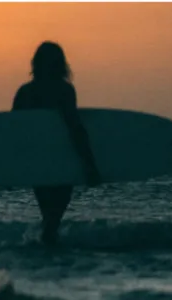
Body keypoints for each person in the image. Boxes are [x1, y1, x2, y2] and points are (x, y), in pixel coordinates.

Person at [11, 41, 101, 245]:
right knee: (54, 216)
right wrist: (90, 164)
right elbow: (75, 127)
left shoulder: (25, 92)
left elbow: (13, 132)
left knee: (49, 213)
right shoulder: (63, 90)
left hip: (36, 161)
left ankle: (46, 250)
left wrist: (11, 169)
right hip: (63, 158)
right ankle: (50, 249)